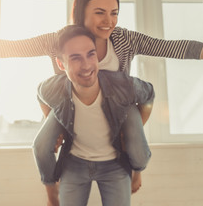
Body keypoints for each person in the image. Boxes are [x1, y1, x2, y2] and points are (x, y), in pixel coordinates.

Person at [0, 0, 203, 193]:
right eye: (100, 12)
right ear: (82, 12)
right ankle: (53, 187)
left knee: (136, 144)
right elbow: (10, 48)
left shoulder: (124, 39)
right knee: (42, 143)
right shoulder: (61, 39)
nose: (109, 20)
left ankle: (135, 171)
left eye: (114, 12)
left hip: (118, 109)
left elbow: (178, 48)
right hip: (74, 107)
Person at [35, 25, 155, 206]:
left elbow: (149, 95)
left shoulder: (123, 85)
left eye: (91, 54)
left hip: (115, 165)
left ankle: (136, 171)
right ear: (61, 64)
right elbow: (40, 95)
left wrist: (137, 126)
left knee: (138, 151)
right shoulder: (52, 88)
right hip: (74, 164)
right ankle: (52, 191)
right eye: (75, 58)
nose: (86, 65)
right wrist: (55, 122)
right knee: (40, 145)